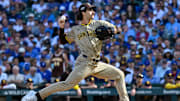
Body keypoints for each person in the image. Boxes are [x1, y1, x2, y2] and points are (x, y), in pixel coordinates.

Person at [22, 3, 129, 101]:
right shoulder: (76, 29)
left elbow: (117, 29)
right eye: (91, 10)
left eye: (93, 10)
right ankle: (36, 96)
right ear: (83, 12)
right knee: (67, 84)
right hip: (84, 62)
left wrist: (111, 31)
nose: (93, 12)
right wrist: (61, 28)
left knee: (119, 75)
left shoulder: (99, 23)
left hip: (97, 63)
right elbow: (63, 41)